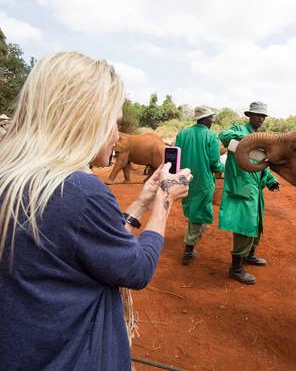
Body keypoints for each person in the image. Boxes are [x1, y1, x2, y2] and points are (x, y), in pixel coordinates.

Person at [0, 52, 192, 371]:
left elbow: (74, 243)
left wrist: (140, 203)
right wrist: (163, 204)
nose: (117, 136)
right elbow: (136, 269)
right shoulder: (79, 190)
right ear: (85, 117)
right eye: (114, 123)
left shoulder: (15, 177)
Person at [218, 101, 279, 284]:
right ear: (249, 115)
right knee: (244, 226)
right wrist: (247, 140)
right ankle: (236, 268)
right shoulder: (239, 131)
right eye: (258, 115)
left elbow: (261, 163)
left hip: (256, 189)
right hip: (242, 187)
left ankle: (250, 255)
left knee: (256, 223)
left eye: (263, 116)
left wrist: (270, 180)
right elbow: (224, 135)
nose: (261, 119)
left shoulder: (260, 137)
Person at [175, 106, 225, 265]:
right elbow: (214, 164)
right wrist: (224, 168)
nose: (212, 120)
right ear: (205, 119)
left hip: (185, 179)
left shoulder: (182, 134)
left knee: (192, 208)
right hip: (203, 181)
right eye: (211, 118)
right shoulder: (211, 136)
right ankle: (188, 251)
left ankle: (193, 236)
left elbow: (176, 156)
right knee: (199, 213)